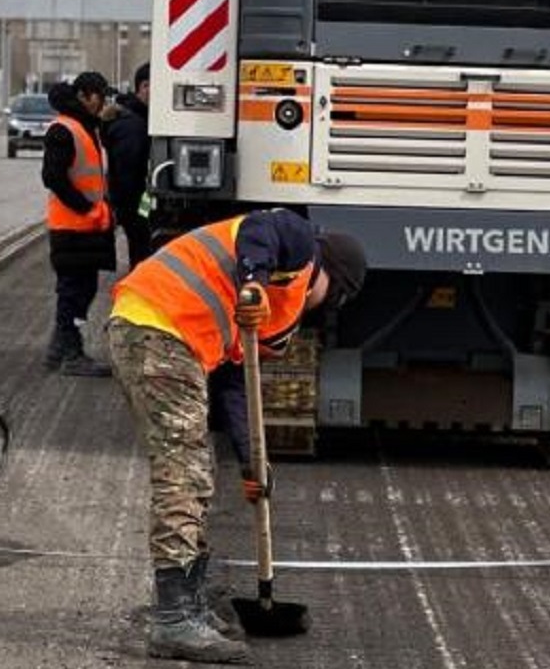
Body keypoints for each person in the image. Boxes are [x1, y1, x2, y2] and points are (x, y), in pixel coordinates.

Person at [107, 209, 367, 663]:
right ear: (332, 277)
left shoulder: (275, 314)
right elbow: (260, 230)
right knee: (183, 475)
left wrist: (252, 460)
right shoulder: (300, 245)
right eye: (332, 297)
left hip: (165, 335)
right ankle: (173, 619)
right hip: (158, 327)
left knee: (196, 472)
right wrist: (254, 282)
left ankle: (188, 602)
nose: (322, 306)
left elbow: (234, 385)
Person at [42, 70, 116, 376]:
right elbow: (53, 176)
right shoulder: (65, 129)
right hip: (71, 227)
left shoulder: (84, 127)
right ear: (85, 96)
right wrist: (86, 208)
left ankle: (60, 349)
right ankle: (70, 353)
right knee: (74, 291)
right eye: (100, 96)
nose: (103, 102)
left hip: (84, 228)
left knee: (79, 290)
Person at [102, 62, 154, 268]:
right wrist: (141, 212)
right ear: (144, 87)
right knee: (141, 247)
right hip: (135, 203)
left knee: (140, 248)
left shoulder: (136, 119)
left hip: (135, 202)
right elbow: (129, 176)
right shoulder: (133, 126)